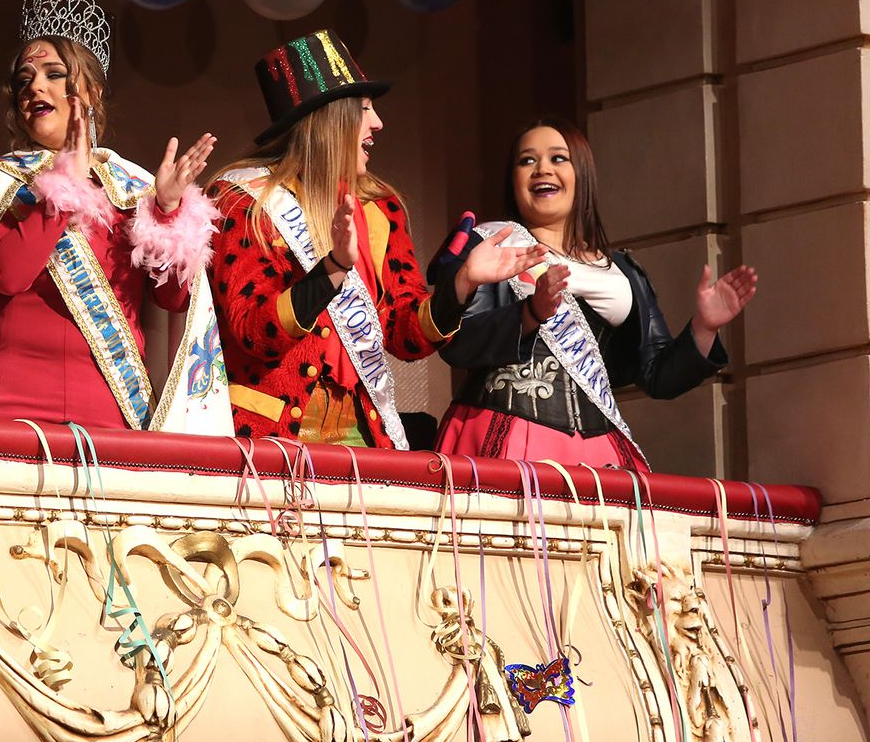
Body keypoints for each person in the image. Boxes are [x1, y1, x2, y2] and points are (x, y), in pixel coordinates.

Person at [0, 0, 231, 433]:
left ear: (90, 91)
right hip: (12, 412)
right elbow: (7, 275)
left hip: (113, 414)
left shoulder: (133, 187)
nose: (34, 88)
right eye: (23, 80)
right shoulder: (1, 182)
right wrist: (64, 186)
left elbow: (172, 300)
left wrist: (166, 211)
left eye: (53, 75)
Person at [208, 31, 543, 446]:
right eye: (364, 110)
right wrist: (331, 270)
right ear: (328, 119)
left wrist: (462, 285)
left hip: (360, 431)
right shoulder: (244, 200)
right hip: (270, 434)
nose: (378, 123)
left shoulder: (381, 208)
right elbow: (253, 331)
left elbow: (403, 334)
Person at [434, 117, 757, 472]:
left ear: (582, 174)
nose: (542, 169)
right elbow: (458, 344)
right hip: (505, 431)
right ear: (512, 181)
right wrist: (530, 313)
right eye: (527, 161)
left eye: (558, 158)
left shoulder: (623, 271)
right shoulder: (493, 244)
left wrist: (704, 328)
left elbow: (658, 376)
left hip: (599, 450)